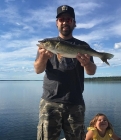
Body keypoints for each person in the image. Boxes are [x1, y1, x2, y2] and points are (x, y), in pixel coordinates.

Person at [34, 5, 97, 140]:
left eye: (68, 19)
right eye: (61, 19)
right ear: (57, 22)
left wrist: (87, 63)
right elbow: (38, 70)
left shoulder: (83, 46)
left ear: (74, 23)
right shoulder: (47, 44)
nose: (64, 22)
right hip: (50, 101)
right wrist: (43, 58)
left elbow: (91, 72)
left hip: (75, 102)